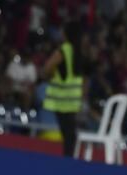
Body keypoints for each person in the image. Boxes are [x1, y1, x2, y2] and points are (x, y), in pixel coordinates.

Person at [42, 21, 84, 157]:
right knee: (70, 134)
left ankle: (68, 162)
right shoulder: (78, 50)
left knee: (68, 135)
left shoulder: (64, 49)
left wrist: (51, 74)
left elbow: (47, 67)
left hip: (61, 99)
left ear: (67, 33)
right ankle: (70, 159)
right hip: (73, 100)